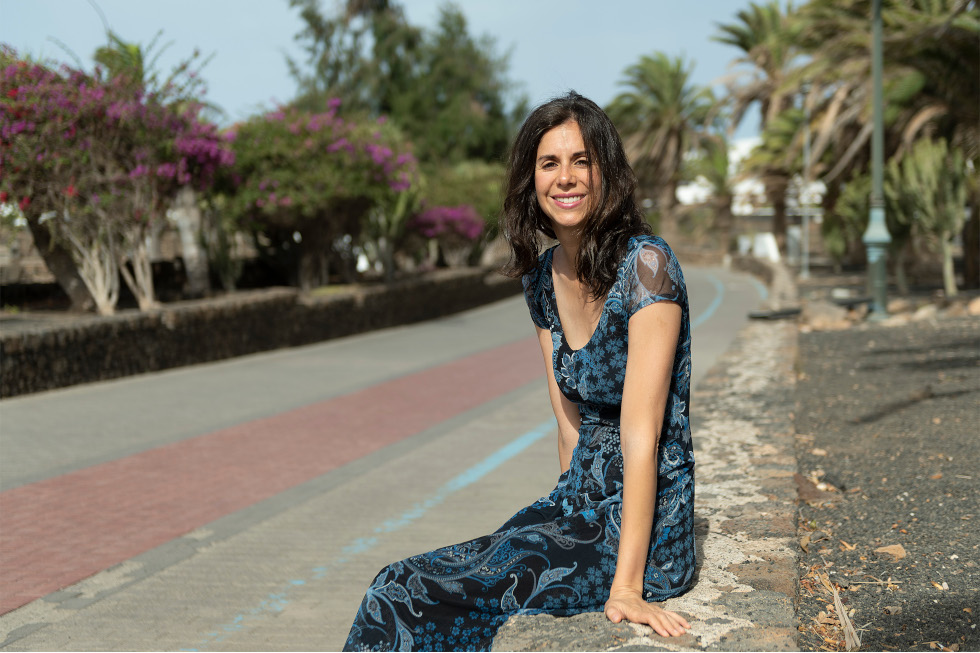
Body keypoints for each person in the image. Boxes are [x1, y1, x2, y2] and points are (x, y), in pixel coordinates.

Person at [343, 91, 695, 652]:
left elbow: (642, 437)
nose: (566, 178)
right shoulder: (541, 279)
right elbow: (568, 427)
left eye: (582, 161)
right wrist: (560, 518)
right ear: (531, 181)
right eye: (549, 163)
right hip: (579, 506)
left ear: (607, 172)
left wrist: (626, 586)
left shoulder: (647, 267)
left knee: (403, 590)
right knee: (413, 580)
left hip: (646, 528)